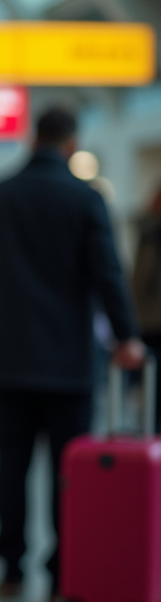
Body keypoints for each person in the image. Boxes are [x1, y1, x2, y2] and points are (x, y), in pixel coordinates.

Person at [0, 106, 145, 602]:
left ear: (32, 138)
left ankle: (10, 566)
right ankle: (65, 570)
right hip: (68, 359)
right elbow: (107, 272)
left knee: (11, 466)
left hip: (9, 356)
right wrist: (126, 336)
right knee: (72, 471)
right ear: (72, 143)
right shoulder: (85, 198)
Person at [132, 183, 161, 431]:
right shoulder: (150, 232)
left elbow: (139, 280)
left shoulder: (149, 231)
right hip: (151, 322)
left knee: (153, 391)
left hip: (149, 321)